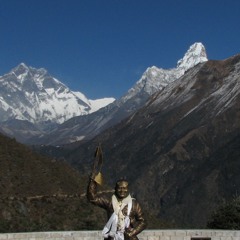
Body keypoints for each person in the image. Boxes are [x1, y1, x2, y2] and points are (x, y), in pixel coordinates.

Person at [87, 175, 147, 240]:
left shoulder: (134, 204)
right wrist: (92, 182)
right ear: (115, 189)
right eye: (120, 188)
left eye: (124, 188)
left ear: (128, 189)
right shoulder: (109, 202)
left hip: (129, 237)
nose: (122, 190)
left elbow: (143, 221)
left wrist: (132, 233)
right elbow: (92, 198)